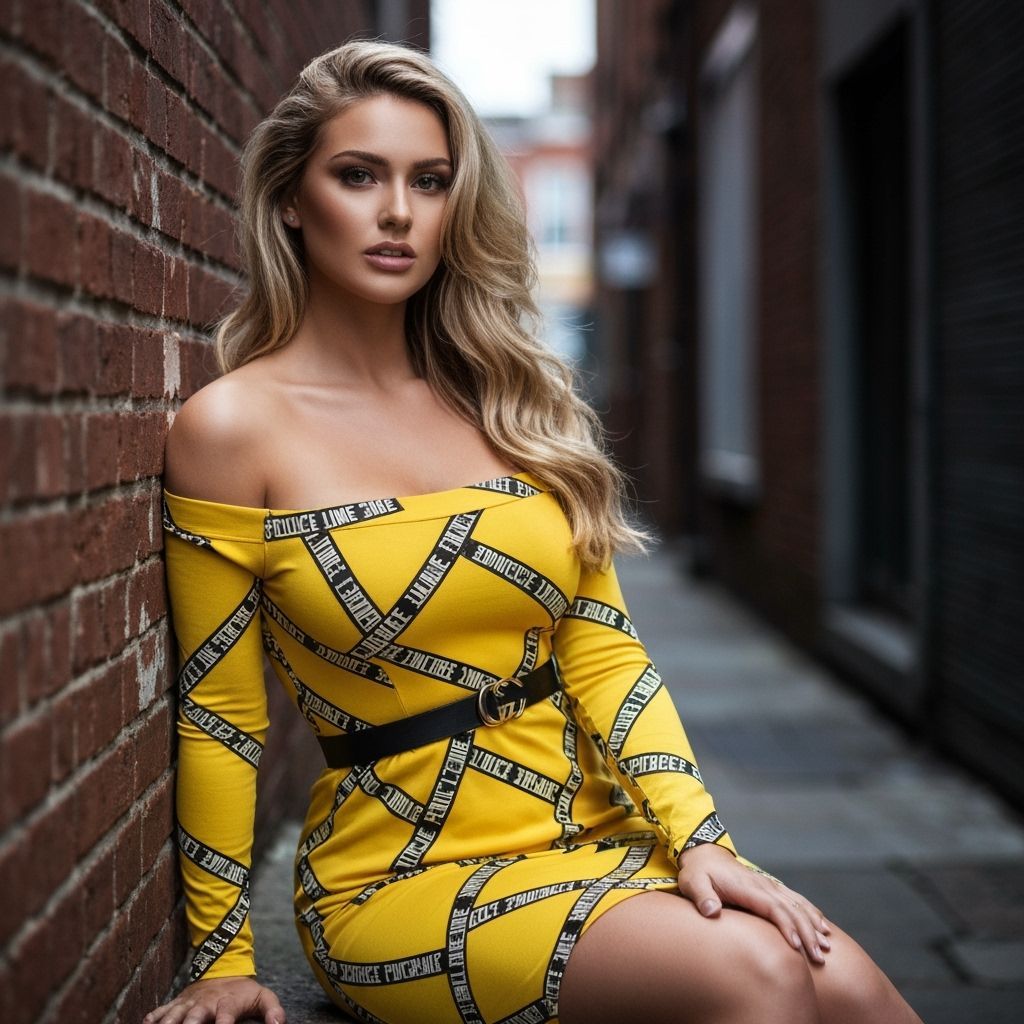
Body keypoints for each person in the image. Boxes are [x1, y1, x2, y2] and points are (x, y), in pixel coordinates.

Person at [145, 38, 922, 1024]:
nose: (397, 212)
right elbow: (220, 713)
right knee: (757, 977)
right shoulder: (232, 427)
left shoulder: (510, 403)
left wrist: (704, 842)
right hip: (399, 876)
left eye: (429, 181)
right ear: (292, 200)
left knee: (845, 978)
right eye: (357, 175)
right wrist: (219, 953)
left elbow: (603, 654)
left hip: (591, 824)